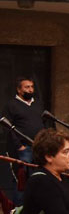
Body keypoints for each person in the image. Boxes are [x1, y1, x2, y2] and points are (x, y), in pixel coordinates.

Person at [2, 77, 54, 206]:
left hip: (40, 148)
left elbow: (46, 122)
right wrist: (19, 146)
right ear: (19, 89)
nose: (30, 90)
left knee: (41, 176)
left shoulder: (38, 104)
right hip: (23, 149)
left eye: (32, 87)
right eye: (27, 87)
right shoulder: (11, 105)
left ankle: (37, 206)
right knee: (22, 179)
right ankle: (20, 211)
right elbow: (7, 127)